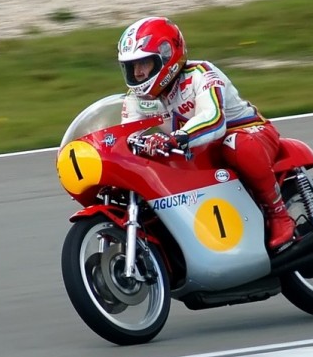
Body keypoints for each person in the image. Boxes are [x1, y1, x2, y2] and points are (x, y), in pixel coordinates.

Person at [117, 16, 295, 251]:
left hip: (248, 132)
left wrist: (175, 138)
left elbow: (213, 119)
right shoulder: (137, 100)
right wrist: (142, 142)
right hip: (199, 150)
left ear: (166, 57)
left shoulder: (201, 73)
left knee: (236, 145)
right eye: (131, 67)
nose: (138, 73)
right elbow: (126, 133)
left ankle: (279, 214)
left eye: (144, 63)